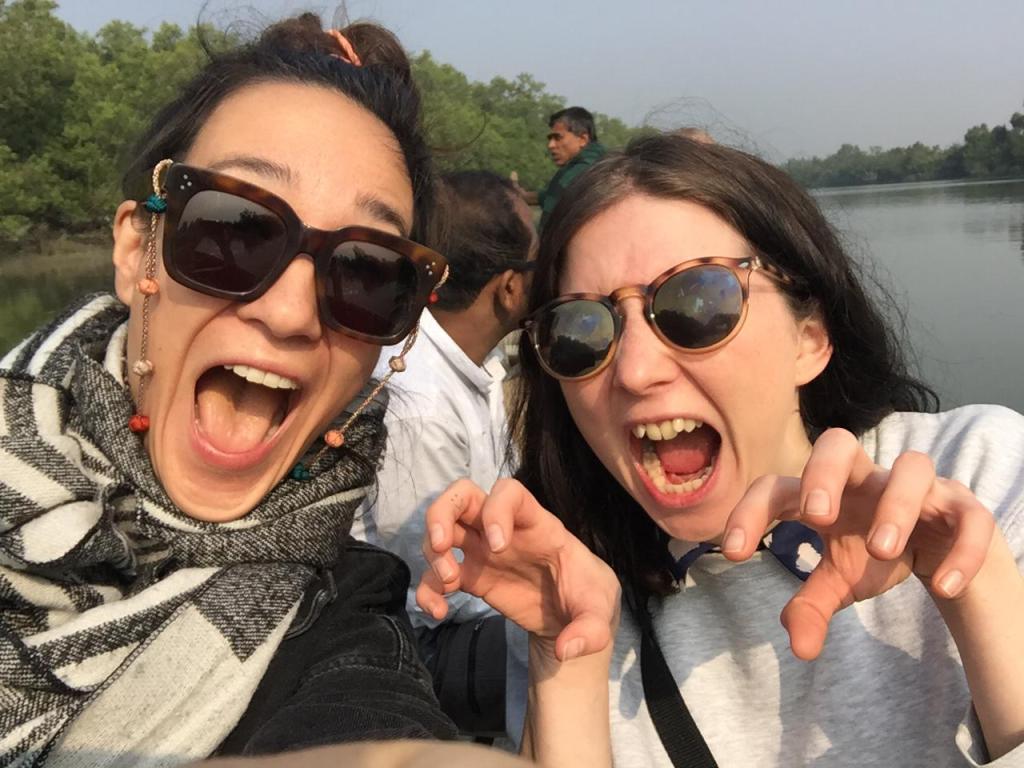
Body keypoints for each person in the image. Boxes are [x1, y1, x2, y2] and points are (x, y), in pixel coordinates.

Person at [418, 134, 1024, 767]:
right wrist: (564, 659)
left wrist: (973, 585)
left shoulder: (982, 471)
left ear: (810, 338)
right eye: (582, 328)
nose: (635, 371)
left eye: (698, 303)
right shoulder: (575, 583)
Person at [0, 15, 460, 765]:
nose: (289, 314)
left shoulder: (345, 630)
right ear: (135, 250)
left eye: (368, 271)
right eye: (233, 230)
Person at [352, 171, 536, 740]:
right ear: (510, 288)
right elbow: (433, 584)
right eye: (540, 266)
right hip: (415, 642)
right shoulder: (422, 406)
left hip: (460, 608)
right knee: (591, 644)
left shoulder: (475, 362)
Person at [517, 106, 607, 229]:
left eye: (558, 137)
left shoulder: (574, 175)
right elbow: (551, 196)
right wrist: (523, 196)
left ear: (582, 139)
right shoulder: (605, 164)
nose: (551, 145)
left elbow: (549, 230)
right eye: (550, 139)